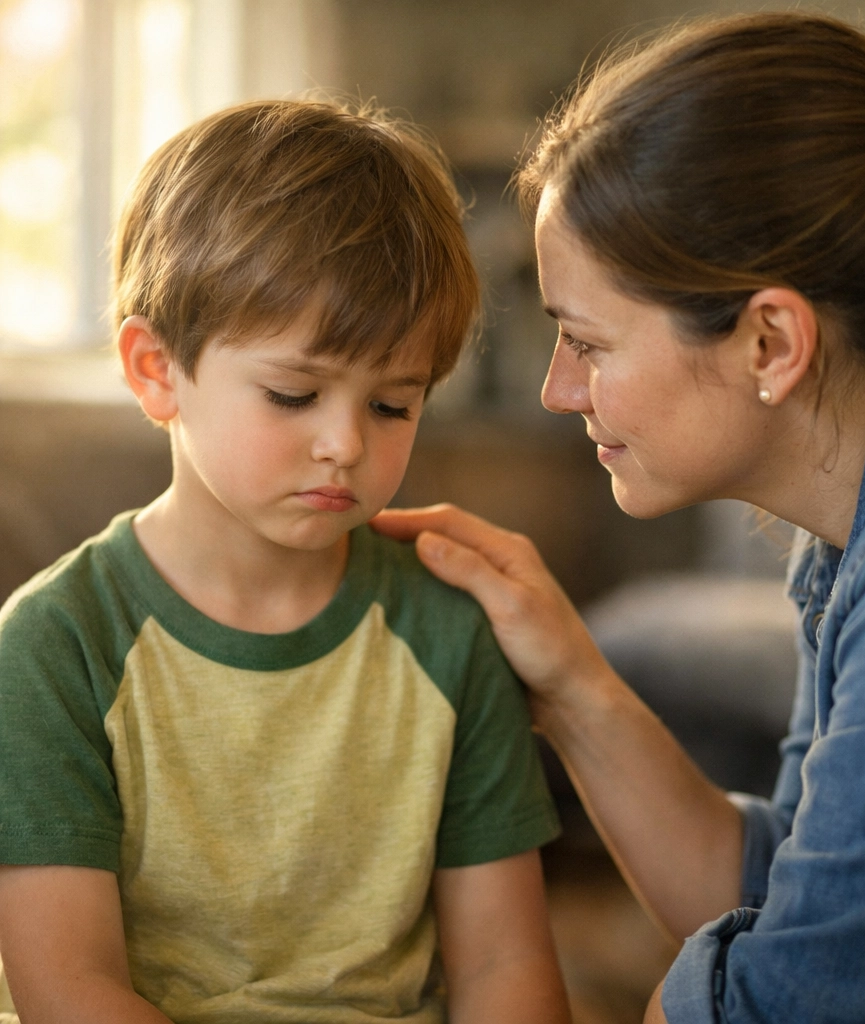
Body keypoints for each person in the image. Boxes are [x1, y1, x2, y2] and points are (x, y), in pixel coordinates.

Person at [373, 12, 865, 1023]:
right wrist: (569, 684)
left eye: (586, 342)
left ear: (769, 342)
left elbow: (797, 1004)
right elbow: (789, 896)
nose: (558, 390)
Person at [0, 100, 570, 1024]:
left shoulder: (446, 630)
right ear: (155, 370)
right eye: (293, 393)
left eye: (393, 405)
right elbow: (71, 991)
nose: (344, 443)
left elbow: (506, 968)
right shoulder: (54, 645)